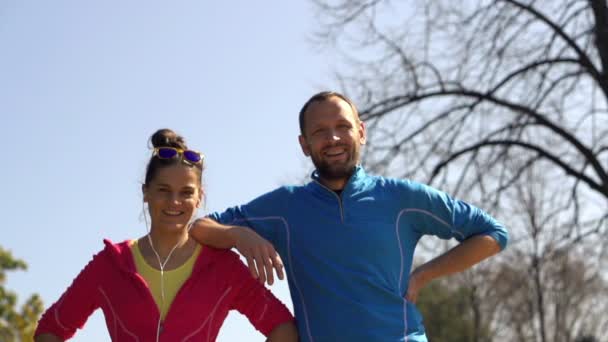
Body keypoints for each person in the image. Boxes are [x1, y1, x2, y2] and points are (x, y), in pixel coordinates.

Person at [189, 92, 509, 342]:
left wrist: (422, 275)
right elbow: (200, 227)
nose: (334, 138)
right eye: (320, 131)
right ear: (304, 144)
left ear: (361, 131)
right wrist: (238, 235)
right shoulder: (284, 208)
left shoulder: (402, 198)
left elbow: (492, 234)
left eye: (343, 126)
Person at [35, 129, 298, 342]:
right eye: (163, 190)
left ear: (199, 199)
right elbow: (50, 330)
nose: (174, 201)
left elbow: (283, 329)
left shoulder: (222, 268)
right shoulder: (110, 265)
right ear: (145, 192)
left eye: (186, 192)